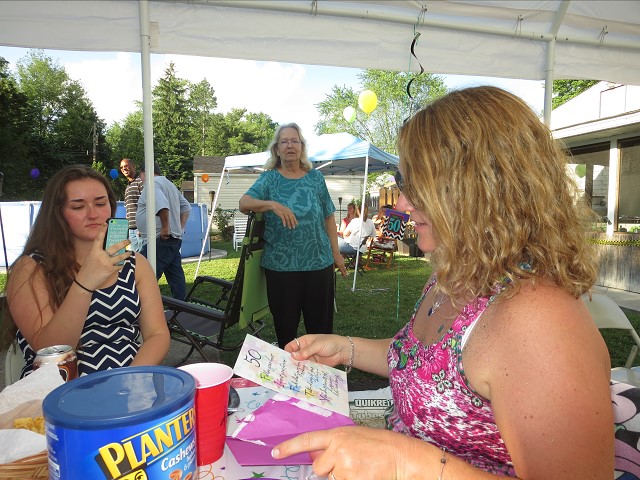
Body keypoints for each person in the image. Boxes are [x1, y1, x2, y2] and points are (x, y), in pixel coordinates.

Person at [272, 87, 613, 479]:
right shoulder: (454, 272)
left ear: (480, 188)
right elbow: (423, 363)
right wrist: (345, 348)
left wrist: (407, 464)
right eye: (403, 181)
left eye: (417, 184)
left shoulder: (540, 320)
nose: (402, 204)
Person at [0, 165, 170, 378]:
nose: (93, 214)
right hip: (61, 387)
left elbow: (157, 334)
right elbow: (51, 351)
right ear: (57, 213)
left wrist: (129, 379)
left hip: (133, 380)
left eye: (100, 203)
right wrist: (85, 283)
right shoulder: (31, 268)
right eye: (78, 207)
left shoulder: (134, 264)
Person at [239, 123, 347, 348]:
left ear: (301, 147)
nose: (290, 145)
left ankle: (319, 369)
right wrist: (272, 205)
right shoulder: (269, 179)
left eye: (294, 141)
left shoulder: (315, 178)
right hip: (281, 269)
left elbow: (328, 216)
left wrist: (335, 253)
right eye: (284, 141)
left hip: (319, 264)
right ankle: (289, 370)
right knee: (286, 333)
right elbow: (244, 203)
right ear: (277, 149)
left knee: (321, 331)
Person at [136, 162, 191, 301]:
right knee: (176, 277)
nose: (140, 179)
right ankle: (181, 307)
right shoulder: (169, 184)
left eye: (140, 175)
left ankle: (141, 307)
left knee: (143, 276)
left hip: (159, 240)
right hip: (173, 239)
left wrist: (166, 228)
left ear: (144, 172)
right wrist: (180, 228)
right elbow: (186, 207)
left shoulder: (152, 183)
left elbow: (162, 205)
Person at [119, 158, 144, 252]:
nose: (124, 169)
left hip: (140, 228)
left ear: (134, 166)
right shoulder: (128, 186)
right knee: (135, 257)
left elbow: (147, 204)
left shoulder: (140, 182)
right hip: (131, 229)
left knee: (143, 257)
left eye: (126, 166)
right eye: (121, 167)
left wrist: (142, 226)